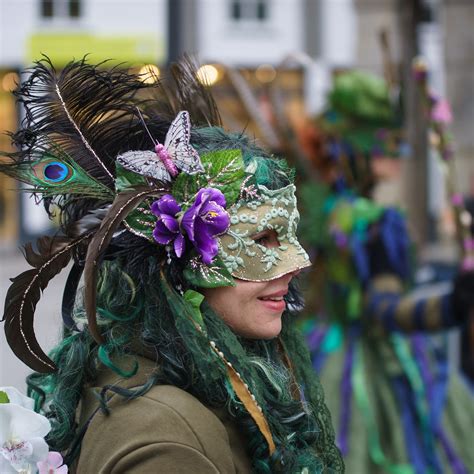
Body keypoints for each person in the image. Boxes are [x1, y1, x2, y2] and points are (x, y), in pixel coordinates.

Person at [0, 58, 343, 473]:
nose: (299, 262)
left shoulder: (201, 382)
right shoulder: (165, 439)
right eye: (262, 239)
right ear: (178, 262)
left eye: (290, 234)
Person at [294, 70, 474, 473]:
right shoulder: (377, 220)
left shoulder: (326, 210)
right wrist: (451, 306)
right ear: (354, 151)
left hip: (321, 349)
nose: (396, 154)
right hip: (367, 368)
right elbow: (383, 309)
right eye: (382, 146)